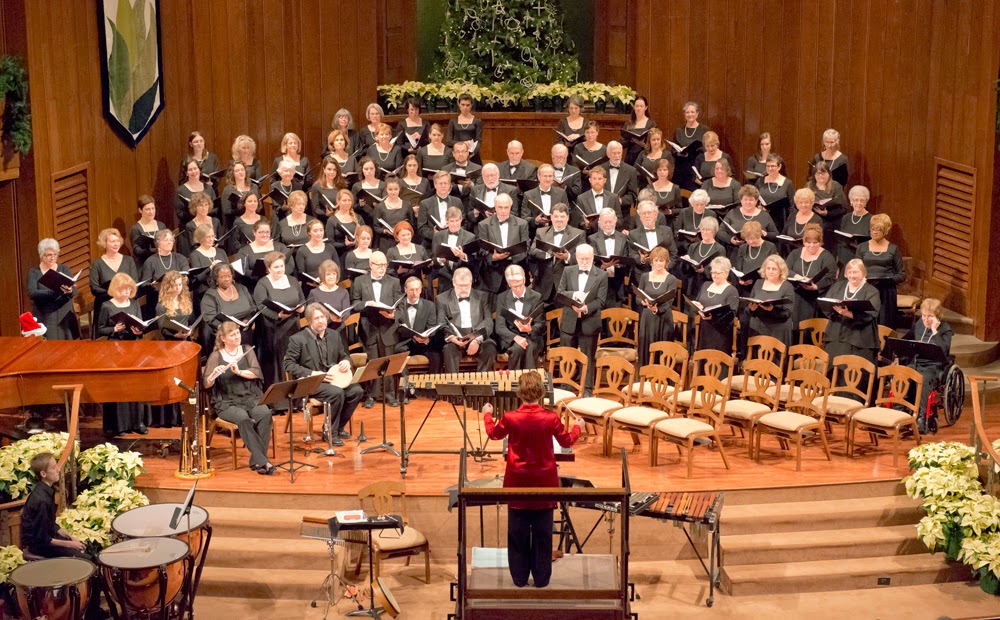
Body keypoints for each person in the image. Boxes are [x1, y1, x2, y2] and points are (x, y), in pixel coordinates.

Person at [482, 371, 583, 588]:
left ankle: (519, 579)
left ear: (520, 393)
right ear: (540, 392)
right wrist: (578, 427)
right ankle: (541, 579)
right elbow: (566, 441)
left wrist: (487, 415)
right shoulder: (550, 418)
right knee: (543, 535)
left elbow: (493, 434)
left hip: (517, 483)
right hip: (544, 483)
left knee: (517, 535)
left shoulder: (510, 417)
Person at [284, 303, 365, 445]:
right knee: (337, 393)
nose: (321, 321)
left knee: (356, 390)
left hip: (333, 379)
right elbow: (289, 364)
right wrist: (313, 373)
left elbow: (344, 355)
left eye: (323, 317)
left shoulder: (334, 335)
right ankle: (329, 432)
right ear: (309, 321)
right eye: (317, 318)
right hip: (312, 382)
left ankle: (338, 428)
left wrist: (346, 361)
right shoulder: (298, 339)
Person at [204, 322, 276, 474]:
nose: (237, 337)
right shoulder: (216, 356)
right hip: (227, 401)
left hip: (250, 396)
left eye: (238, 333)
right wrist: (212, 375)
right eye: (232, 335)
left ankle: (257, 460)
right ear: (223, 338)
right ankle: (264, 462)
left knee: (265, 414)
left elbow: (256, 373)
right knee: (244, 419)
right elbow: (206, 384)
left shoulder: (247, 349)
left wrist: (239, 372)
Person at [96, 272, 150, 435]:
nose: (127, 292)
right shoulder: (107, 306)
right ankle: (117, 425)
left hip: (132, 348)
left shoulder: (134, 304)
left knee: (135, 385)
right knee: (118, 385)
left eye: (129, 289)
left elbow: (141, 328)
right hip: (115, 349)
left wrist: (137, 330)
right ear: (116, 289)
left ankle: (137, 422)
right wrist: (114, 329)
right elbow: (100, 329)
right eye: (124, 289)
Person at [351, 251, 402, 407]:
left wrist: (393, 315)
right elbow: (355, 303)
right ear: (371, 265)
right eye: (379, 265)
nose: (382, 268)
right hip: (369, 327)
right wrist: (367, 304)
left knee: (388, 361)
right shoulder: (359, 281)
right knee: (372, 362)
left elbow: (400, 306)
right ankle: (371, 396)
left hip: (388, 327)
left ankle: (390, 395)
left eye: (385, 265)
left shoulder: (394, 282)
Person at [558, 245, 608, 395]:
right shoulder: (568, 271)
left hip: (589, 321)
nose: (585, 262)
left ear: (593, 258)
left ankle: (587, 389)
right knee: (567, 355)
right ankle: (566, 387)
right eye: (581, 259)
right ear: (576, 258)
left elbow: (601, 301)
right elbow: (560, 293)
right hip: (569, 320)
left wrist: (585, 308)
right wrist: (574, 295)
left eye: (588, 259)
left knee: (588, 357)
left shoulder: (601, 275)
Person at [253, 251, 305, 389]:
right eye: (276, 267)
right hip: (274, 328)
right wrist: (278, 316)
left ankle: (297, 397)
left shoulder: (292, 280)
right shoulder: (263, 283)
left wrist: (302, 308)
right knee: (279, 363)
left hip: (293, 325)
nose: (280, 269)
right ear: (268, 268)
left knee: (295, 358)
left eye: (281, 266)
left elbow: (301, 299)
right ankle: (279, 401)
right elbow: (260, 306)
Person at [21, 453, 88, 557]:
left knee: (86, 547)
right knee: (84, 559)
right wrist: (70, 545)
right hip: (40, 546)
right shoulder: (41, 500)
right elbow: (42, 538)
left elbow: (52, 526)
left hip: (48, 539)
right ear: (43, 474)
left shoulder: (46, 490)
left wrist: (70, 537)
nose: (58, 469)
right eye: (53, 467)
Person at [901, 298, 954, 431]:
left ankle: (921, 417)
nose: (926, 319)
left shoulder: (945, 329)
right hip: (916, 362)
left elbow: (944, 351)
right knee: (902, 375)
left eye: (930, 316)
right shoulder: (919, 324)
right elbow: (906, 339)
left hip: (934, 366)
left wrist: (935, 331)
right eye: (924, 315)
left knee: (923, 380)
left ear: (937, 316)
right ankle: (901, 410)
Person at [437, 266, 497, 373]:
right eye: (460, 286)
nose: (464, 289)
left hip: (477, 336)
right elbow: (441, 323)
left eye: (467, 285)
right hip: (456, 339)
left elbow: (488, 322)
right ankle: (453, 386)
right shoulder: (442, 299)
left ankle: (481, 385)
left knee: (490, 348)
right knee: (448, 350)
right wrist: (451, 338)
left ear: (471, 282)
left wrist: (477, 340)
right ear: (453, 282)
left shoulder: (482, 296)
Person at [823, 258, 881, 366]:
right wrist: (836, 311)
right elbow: (826, 306)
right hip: (837, 332)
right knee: (834, 365)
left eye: (856, 272)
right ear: (845, 273)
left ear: (863, 273)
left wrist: (850, 314)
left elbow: (871, 314)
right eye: (849, 272)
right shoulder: (837, 287)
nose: (852, 275)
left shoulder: (872, 291)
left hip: (860, 337)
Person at [476, 193, 529, 300]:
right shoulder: (484, 224)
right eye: (500, 207)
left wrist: (510, 256)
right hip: (493, 274)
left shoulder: (522, 224)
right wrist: (493, 258)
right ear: (495, 207)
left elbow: (526, 247)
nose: (503, 211)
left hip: (516, 271)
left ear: (511, 207)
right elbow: (481, 250)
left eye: (506, 207)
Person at [856, 213, 905, 328]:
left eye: (878, 230)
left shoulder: (893, 249)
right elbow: (856, 269)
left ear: (886, 231)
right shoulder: (862, 247)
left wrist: (888, 280)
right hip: (866, 290)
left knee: (884, 324)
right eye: (872, 229)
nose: (874, 232)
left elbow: (901, 274)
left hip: (886, 292)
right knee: (867, 324)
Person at [786, 223, 838, 330]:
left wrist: (816, 286)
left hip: (814, 298)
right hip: (796, 295)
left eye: (815, 243)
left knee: (808, 328)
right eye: (808, 243)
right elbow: (785, 269)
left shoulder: (827, 257)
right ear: (804, 242)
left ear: (821, 242)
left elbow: (830, 277)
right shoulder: (795, 253)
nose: (811, 246)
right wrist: (798, 277)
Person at [27, 238, 80, 340]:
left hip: (65, 316)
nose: (52, 258)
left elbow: (74, 291)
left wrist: (70, 291)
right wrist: (51, 292)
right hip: (46, 315)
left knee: (70, 348)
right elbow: (31, 292)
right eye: (49, 255)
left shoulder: (64, 269)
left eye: (55, 254)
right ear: (41, 255)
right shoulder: (34, 272)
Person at [495, 265, 546, 370]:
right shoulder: (502, 298)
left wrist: (530, 329)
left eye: (520, 285)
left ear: (524, 280)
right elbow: (500, 327)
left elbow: (541, 324)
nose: (518, 289)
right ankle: (516, 384)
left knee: (530, 347)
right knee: (517, 349)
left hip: (532, 337)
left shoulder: (536, 296)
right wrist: (516, 337)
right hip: (512, 339)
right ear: (509, 284)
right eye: (514, 287)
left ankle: (530, 384)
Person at [395, 276, 443, 385]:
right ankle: (406, 388)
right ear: (405, 289)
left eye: (417, 290)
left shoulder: (429, 305)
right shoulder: (398, 305)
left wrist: (426, 337)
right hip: (405, 342)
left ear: (421, 289)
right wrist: (411, 335)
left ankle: (431, 389)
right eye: (411, 290)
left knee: (436, 356)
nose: (414, 293)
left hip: (422, 343)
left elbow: (432, 326)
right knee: (399, 355)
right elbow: (396, 326)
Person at [636, 246, 678, 367]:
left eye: (661, 261)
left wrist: (657, 309)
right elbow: (638, 296)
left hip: (663, 318)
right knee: (646, 347)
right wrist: (642, 302)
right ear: (652, 261)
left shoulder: (671, 279)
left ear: (666, 262)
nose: (658, 263)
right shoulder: (645, 277)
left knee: (662, 350)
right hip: (647, 318)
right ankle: (645, 381)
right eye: (656, 260)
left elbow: (670, 300)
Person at [202, 263, 257, 348]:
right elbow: (210, 319)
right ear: (216, 279)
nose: (227, 279)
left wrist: (246, 321)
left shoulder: (242, 288)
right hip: (224, 336)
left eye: (229, 276)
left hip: (245, 332)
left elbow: (253, 308)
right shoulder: (210, 296)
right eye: (223, 276)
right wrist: (230, 329)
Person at [745, 254, 795, 347]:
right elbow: (747, 309)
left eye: (774, 269)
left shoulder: (787, 286)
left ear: (781, 271)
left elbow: (787, 313)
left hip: (777, 330)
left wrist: (772, 310)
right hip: (758, 328)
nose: (770, 271)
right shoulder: (758, 283)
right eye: (768, 268)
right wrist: (751, 309)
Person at [692, 256, 740, 354]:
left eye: (718, 273)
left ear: (726, 273)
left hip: (720, 332)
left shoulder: (732, 290)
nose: (714, 275)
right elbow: (698, 301)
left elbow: (732, 314)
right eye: (713, 272)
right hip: (704, 329)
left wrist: (713, 317)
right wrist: (697, 307)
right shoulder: (705, 285)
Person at [90, 227, 138, 321]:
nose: (116, 244)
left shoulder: (129, 261)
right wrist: (114, 292)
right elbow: (94, 288)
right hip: (106, 307)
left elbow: (134, 283)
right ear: (104, 244)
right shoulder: (97, 264)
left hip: (126, 305)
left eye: (117, 241)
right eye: (112, 241)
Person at [718, 185, 778, 258]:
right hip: (735, 252)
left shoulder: (764, 215)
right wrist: (731, 240)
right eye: (745, 199)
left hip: (759, 253)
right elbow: (720, 231)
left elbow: (775, 234)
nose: (748, 202)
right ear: (741, 200)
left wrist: (765, 234)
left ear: (756, 201)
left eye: (751, 200)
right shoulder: (733, 212)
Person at [591, 207, 635, 305]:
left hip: (617, 283)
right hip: (599, 283)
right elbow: (591, 262)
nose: (608, 225)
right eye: (605, 222)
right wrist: (603, 266)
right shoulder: (592, 239)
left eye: (610, 222)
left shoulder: (623, 238)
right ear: (600, 222)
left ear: (615, 220)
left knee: (615, 314)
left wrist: (618, 264)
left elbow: (627, 258)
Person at [234, 219, 291, 291]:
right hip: (256, 286)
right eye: (261, 232)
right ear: (254, 232)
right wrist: (263, 277)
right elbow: (241, 270)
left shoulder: (280, 247)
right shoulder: (244, 251)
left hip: (280, 284)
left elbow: (290, 265)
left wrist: (277, 274)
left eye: (267, 232)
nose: (265, 235)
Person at [431, 207, 476, 294]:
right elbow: (433, 257)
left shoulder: (470, 237)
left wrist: (463, 256)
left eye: (457, 221)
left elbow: (475, 261)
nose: (455, 224)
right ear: (447, 221)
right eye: (452, 221)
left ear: (461, 219)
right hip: (444, 280)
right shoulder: (438, 236)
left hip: (463, 280)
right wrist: (439, 261)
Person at [629, 200, 678, 276]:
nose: (647, 215)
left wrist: (664, 268)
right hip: (642, 274)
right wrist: (642, 260)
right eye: (643, 213)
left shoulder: (666, 231)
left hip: (664, 274)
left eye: (649, 212)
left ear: (656, 215)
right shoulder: (633, 234)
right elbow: (633, 255)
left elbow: (673, 254)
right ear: (640, 217)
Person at [681, 216, 726, 298]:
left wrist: (704, 271)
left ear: (714, 231)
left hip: (708, 287)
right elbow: (686, 272)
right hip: (692, 286)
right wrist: (685, 261)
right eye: (703, 229)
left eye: (708, 230)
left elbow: (721, 272)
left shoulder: (719, 249)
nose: (705, 232)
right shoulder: (693, 246)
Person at [807, 161, 848, 250]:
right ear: (814, 174)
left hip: (831, 221)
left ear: (829, 174)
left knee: (826, 230)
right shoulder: (809, 186)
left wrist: (827, 213)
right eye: (818, 173)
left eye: (823, 173)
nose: (820, 176)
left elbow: (844, 208)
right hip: (813, 219)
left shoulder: (836, 186)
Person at [419, 170, 463, 250]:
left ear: (450, 185)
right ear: (435, 185)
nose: (443, 186)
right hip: (432, 245)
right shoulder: (425, 203)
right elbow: (421, 228)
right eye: (440, 183)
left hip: (455, 243)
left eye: (445, 183)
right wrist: (435, 234)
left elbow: (464, 223)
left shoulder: (457, 201)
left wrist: (453, 228)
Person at [373, 176, 416, 253]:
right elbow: (376, 226)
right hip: (387, 242)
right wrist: (385, 231)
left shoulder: (407, 205)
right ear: (386, 189)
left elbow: (412, 224)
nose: (393, 192)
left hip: (404, 241)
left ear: (399, 189)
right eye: (390, 189)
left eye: (396, 189)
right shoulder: (379, 207)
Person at [469, 163, 518, 231]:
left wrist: (497, 215)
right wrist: (476, 212)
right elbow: (469, 216)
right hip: (481, 229)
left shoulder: (510, 190)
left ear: (498, 175)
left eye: (492, 175)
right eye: (487, 176)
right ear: (482, 177)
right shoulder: (475, 190)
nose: (490, 179)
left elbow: (514, 213)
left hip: (503, 228)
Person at [754, 153, 794, 234]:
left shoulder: (787, 183)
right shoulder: (760, 181)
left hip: (781, 220)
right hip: (763, 219)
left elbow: (792, 205)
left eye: (773, 166)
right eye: (768, 166)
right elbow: (754, 199)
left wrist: (789, 224)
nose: (770, 168)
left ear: (779, 166)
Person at [672, 101, 708, 191]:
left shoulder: (704, 130)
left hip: (696, 167)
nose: (690, 114)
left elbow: (707, 148)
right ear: (684, 114)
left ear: (697, 114)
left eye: (692, 112)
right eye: (687, 112)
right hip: (681, 169)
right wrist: (680, 151)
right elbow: (673, 149)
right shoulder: (679, 130)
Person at [296, 219, 341, 290]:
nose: (319, 233)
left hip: (330, 286)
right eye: (315, 231)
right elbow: (302, 273)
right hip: (311, 288)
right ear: (309, 232)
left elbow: (337, 267)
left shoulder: (330, 248)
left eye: (321, 230)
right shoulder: (302, 250)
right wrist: (315, 282)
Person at [522, 164, 567, 233]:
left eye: (550, 176)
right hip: (536, 233)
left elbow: (567, 213)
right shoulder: (528, 195)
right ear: (538, 176)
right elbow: (525, 218)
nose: (548, 179)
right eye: (545, 176)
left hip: (557, 231)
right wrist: (536, 220)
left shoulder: (561, 193)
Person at [574, 167, 622, 233]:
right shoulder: (581, 198)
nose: (597, 181)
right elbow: (579, 222)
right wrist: (586, 225)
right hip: (589, 236)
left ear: (604, 180)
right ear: (590, 180)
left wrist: (610, 223)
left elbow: (620, 220)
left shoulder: (613, 197)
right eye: (594, 179)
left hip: (609, 235)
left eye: (600, 179)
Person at [603, 141, 639, 228]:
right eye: (614, 153)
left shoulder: (631, 171)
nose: (617, 156)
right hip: (603, 212)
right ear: (608, 154)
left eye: (619, 153)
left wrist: (621, 201)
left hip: (622, 215)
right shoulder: (601, 169)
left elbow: (633, 194)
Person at [837, 185, 873, 269]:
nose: (859, 203)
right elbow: (840, 242)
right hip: (844, 261)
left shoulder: (872, 219)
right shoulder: (845, 218)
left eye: (862, 200)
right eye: (856, 200)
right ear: (851, 201)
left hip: (861, 260)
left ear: (866, 202)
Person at [175, 157, 218, 228]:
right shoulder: (180, 190)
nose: (193, 172)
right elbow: (180, 213)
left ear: (199, 170)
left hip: (207, 227)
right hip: (189, 227)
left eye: (195, 168)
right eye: (190, 170)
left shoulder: (208, 188)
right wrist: (196, 215)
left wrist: (203, 214)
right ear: (186, 173)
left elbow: (215, 208)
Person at [306, 260, 352, 324]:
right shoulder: (314, 293)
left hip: (339, 327)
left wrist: (339, 318)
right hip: (320, 327)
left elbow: (347, 313)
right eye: (328, 274)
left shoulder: (343, 292)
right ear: (322, 276)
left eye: (334, 274)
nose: (331, 277)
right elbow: (309, 313)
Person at [675, 189, 718, 256]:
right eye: (697, 204)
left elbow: (714, 234)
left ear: (706, 204)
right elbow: (676, 231)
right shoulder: (684, 212)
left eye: (702, 204)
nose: (699, 207)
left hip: (704, 245)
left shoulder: (711, 214)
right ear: (692, 204)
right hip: (685, 245)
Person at [781, 188, 823, 254]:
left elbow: (818, 241)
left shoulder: (817, 220)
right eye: (800, 202)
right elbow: (783, 234)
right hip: (789, 253)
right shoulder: (792, 216)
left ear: (811, 203)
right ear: (797, 204)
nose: (803, 205)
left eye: (806, 202)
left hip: (807, 253)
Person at [129, 195, 166, 269]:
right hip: (144, 264)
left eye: (153, 208)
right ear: (140, 210)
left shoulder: (161, 225)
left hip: (160, 262)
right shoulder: (136, 228)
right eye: (147, 209)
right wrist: (150, 251)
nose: (151, 212)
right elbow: (136, 250)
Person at [179, 191, 221, 256]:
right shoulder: (190, 225)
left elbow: (221, 242)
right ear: (195, 207)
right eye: (201, 205)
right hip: (200, 255)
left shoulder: (216, 221)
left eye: (206, 205)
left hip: (215, 253)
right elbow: (193, 247)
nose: (204, 208)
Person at [446, 93, 483, 164]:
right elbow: (449, 141)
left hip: (472, 156)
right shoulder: (453, 121)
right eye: (463, 105)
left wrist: (472, 153)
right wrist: (463, 143)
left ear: (471, 105)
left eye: (467, 105)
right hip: (457, 156)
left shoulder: (477, 121)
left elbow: (478, 141)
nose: (465, 107)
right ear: (459, 105)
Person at [221, 161, 257, 231]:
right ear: (233, 174)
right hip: (235, 225)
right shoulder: (228, 190)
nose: (240, 172)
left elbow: (260, 209)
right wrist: (242, 209)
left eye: (242, 170)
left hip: (253, 223)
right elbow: (226, 211)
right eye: (237, 171)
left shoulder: (254, 187)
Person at [311, 155, 349, 221]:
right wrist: (325, 214)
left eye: (334, 170)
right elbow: (316, 208)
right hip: (325, 220)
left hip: (342, 218)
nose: (332, 172)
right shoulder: (317, 186)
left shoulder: (342, 185)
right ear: (324, 169)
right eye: (329, 169)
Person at [326, 189, 363, 257]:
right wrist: (344, 244)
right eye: (344, 200)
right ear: (338, 201)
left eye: (349, 200)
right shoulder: (332, 220)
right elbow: (330, 243)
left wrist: (358, 241)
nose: (347, 203)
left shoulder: (358, 217)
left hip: (357, 254)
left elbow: (365, 234)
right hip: (340, 255)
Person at [621, 95, 655, 165]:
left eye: (641, 106)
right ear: (634, 107)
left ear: (646, 108)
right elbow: (622, 143)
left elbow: (654, 143)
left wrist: (643, 144)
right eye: (637, 106)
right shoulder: (628, 124)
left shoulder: (651, 124)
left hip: (644, 156)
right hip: (630, 157)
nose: (639, 108)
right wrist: (630, 140)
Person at [572, 121, 607, 189]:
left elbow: (605, 169)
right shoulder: (578, 147)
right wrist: (583, 172)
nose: (590, 135)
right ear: (584, 133)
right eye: (587, 132)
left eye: (592, 132)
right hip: (582, 182)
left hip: (598, 183)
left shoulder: (604, 149)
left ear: (597, 132)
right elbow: (574, 167)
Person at [352, 157, 385, 225]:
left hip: (379, 220)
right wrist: (360, 205)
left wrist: (378, 206)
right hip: (362, 219)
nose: (369, 171)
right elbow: (352, 207)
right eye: (366, 169)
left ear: (375, 169)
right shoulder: (357, 186)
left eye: (371, 168)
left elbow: (387, 205)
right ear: (362, 170)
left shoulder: (383, 185)